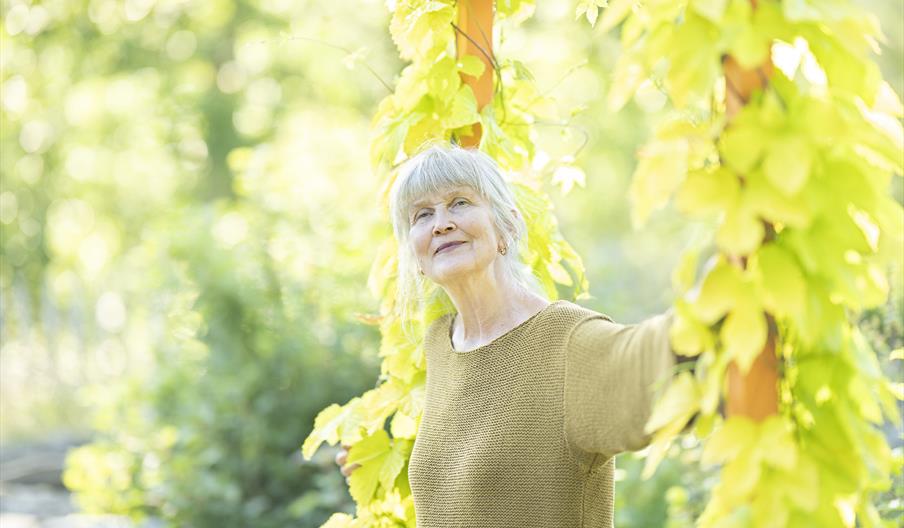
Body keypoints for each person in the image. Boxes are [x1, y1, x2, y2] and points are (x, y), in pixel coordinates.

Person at [335, 142, 686, 527]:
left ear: (508, 225)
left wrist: (726, 291)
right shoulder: (441, 345)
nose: (441, 223)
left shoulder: (565, 341)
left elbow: (658, 358)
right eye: (422, 214)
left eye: (460, 203)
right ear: (415, 254)